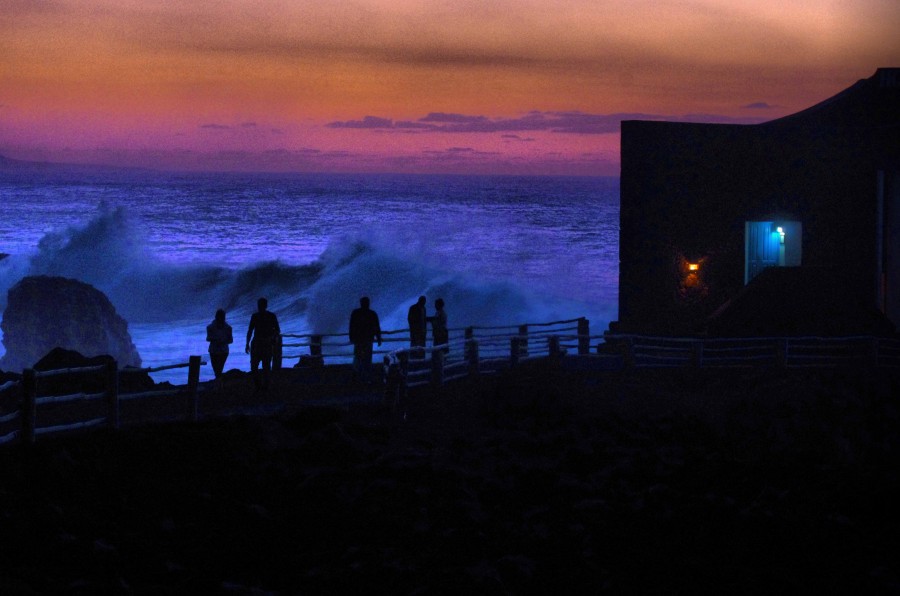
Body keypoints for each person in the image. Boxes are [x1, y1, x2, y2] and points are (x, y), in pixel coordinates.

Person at [245, 297, 280, 392]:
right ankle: (262, 386)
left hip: (259, 342)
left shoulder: (257, 316)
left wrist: (247, 343)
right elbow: (277, 330)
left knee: (257, 365)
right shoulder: (269, 316)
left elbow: (250, 331)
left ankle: (260, 386)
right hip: (263, 342)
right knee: (264, 365)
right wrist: (273, 339)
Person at [349, 296, 382, 383]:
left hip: (359, 339)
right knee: (366, 358)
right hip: (367, 339)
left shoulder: (356, 313)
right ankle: (365, 378)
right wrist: (378, 338)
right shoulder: (372, 314)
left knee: (358, 357)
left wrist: (351, 337)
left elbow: (352, 326)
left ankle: (356, 377)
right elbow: (376, 327)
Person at [206, 308, 233, 384]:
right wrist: (217, 340)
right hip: (215, 350)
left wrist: (222, 341)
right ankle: (219, 384)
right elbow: (208, 338)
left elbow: (231, 340)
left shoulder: (228, 328)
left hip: (222, 350)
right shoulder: (210, 327)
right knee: (217, 369)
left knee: (218, 369)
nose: (221, 319)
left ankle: (218, 384)